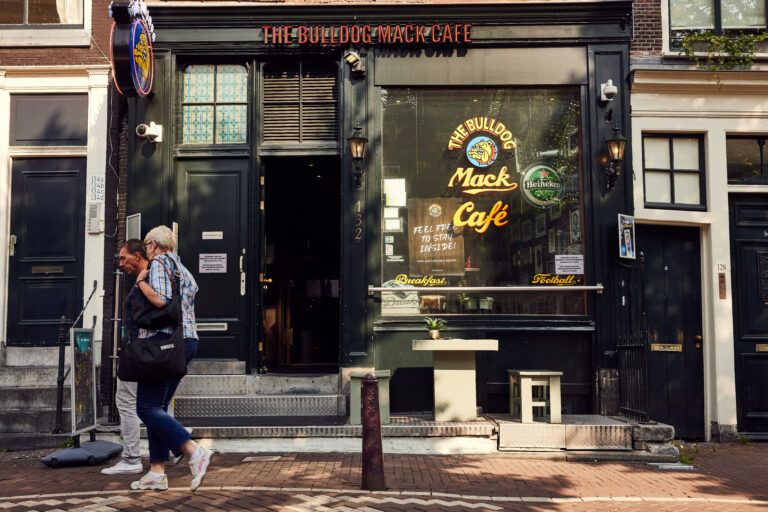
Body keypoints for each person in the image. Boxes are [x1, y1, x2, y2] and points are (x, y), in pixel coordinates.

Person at [130, 225, 212, 492]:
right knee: (158, 409)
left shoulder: (159, 264)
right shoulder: (182, 269)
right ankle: (156, 472)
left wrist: (141, 281)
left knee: (146, 408)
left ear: (154, 244)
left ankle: (193, 451)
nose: (146, 250)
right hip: (185, 342)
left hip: (163, 343)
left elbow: (162, 301)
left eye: (146, 245)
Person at [101, 239, 148, 475]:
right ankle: (174, 448)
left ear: (138, 256)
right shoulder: (151, 278)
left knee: (126, 403)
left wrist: (131, 349)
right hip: (141, 351)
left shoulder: (145, 280)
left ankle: (131, 459)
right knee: (150, 404)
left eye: (123, 258)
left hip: (136, 352)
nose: (120, 264)